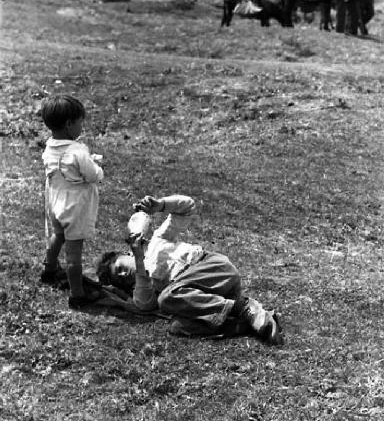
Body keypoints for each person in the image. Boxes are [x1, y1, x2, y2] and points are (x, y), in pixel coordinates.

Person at [96, 194, 284, 345]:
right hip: (214, 293)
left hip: (214, 268)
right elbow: (144, 304)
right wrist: (138, 261)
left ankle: (241, 307)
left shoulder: (157, 241)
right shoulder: (143, 285)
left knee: (167, 298)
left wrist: (160, 205)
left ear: (125, 253)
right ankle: (244, 322)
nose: (122, 274)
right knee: (177, 326)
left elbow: (187, 207)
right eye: (119, 278)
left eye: (120, 267)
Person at [40, 95, 104, 308]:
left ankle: (49, 269)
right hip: (74, 208)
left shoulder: (50, 147)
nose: (81, 126)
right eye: (79, 122)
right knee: (74, 254)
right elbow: (93, 175)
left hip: (56, 204)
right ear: (69, 124)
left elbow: (64, 169)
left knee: (57, 235)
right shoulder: (77, 150)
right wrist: (96, 166)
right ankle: (77, 294)